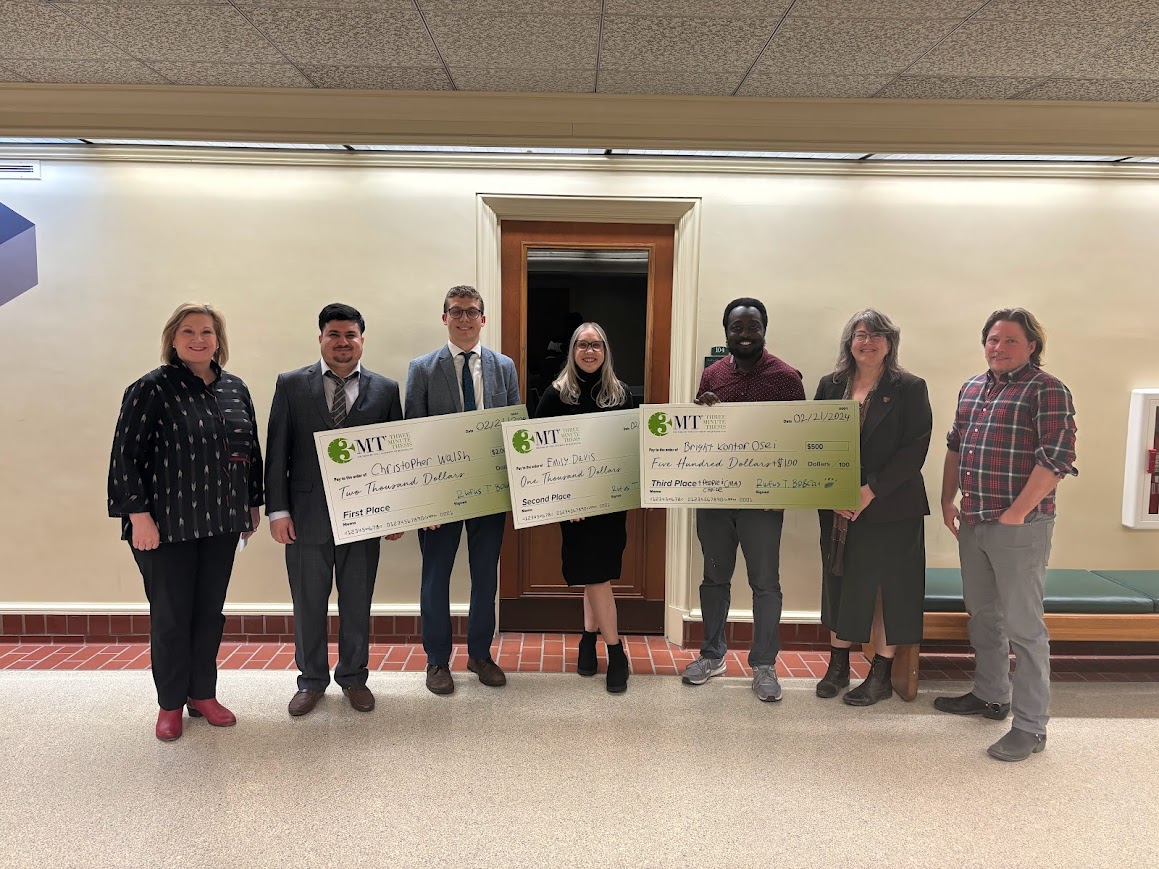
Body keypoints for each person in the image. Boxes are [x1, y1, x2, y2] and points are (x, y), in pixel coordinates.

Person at [108, 302, 264, 742]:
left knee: (208, 614)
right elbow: (125, 457)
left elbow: (248, 450)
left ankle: (203, 694)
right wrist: (138, 516)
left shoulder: (236, 389)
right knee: (172, 617)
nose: (199, 339)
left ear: (219, 340)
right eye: (189, 332)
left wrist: (251, 504)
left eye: (208, 332)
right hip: (165, 525)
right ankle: (170, 703)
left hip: (221, 522)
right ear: (172, 340)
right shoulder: (150, 389)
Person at [936, 308, 1077, 762]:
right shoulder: (973, 387)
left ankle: (1032, 726)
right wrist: (946, 499)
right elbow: (956, 446)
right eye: (993, 340)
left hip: (1020, 528)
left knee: (1024, 628)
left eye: (1011, 341)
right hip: (973, 521)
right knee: (983, 617)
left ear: (1032, 345)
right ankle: (991, 694)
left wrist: (1016, 514)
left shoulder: (1048, 389)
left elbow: (1056, 459)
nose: (999, 347)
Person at [265, 303, 404, 717]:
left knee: (358, 601)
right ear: (321, 338)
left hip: (365, 518)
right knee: (308, 603)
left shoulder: (386, 389)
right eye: (334, 335)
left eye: (351, 336)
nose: (343, 343)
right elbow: (278, 453)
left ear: (362, 340)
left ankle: (353, 678)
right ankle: (310, 680)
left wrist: (395, 512)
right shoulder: (291, 385)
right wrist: (278, 511)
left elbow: (398, 453)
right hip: (306, 516)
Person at [681, 297, 806, 702]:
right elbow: (699, 434)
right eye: (737, 328)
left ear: (764, 329)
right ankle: (713, 654)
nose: (745, 334)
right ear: (727, 332)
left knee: (765, 583)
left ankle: (765, 665)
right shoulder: (712, 375)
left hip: (763, 501)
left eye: (752, 326)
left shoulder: (787, 378)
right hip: (715, 496)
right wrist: (702, 414)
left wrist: (784, 491)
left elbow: (799, 439)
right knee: (714, 578)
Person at [813, 310, 932, 706]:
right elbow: (813, 442)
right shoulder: (830, 386)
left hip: (892, 507)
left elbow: (914, 448)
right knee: (840, 581)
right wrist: (833, 493)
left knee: (886, 590)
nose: (869, 342)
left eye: (878, 335)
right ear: (849, 342)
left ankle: (880, 675)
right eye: (861, 335)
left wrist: (868, 491)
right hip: (838, 508)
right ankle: (838, 667)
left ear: (890, 343)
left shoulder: (909, 388)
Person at [406, 285, 520, 696]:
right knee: (435, 578)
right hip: (440, 495)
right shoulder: (421, 369)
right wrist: (424, 502)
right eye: (456, 311)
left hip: (489, 489)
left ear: (483, 319)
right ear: (445, 318)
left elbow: (513, 427)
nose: (465, 318)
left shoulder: (503, 366)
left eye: (472, 311)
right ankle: (437, 662)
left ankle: (479, 655)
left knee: (485, 577)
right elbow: (414, 434)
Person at [535, 322, 636, 694]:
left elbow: (630, 451)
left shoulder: (622, 394)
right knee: (595, 575)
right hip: (574, 507)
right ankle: (615, 649)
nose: (589, 351)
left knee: (600, 574)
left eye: (596, 345)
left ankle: (587, 640)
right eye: (582, 344)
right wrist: (565, 497)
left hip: (610, 505)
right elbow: (539, 455)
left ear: (605, 351)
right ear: (572, 351)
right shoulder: (555, 396)